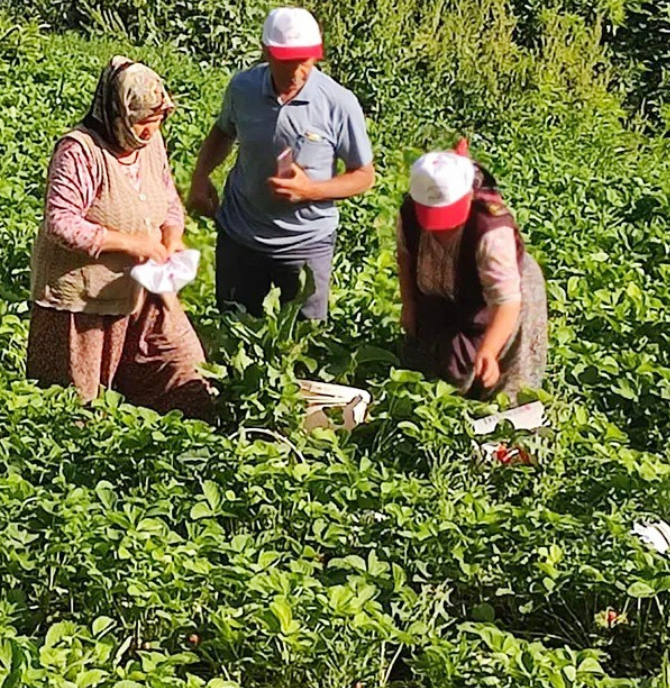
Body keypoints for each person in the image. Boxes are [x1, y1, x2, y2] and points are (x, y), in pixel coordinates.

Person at [27, 56, 214, 420]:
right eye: (142, 122)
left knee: (186, 372)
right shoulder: (80, 150)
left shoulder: (153, 143)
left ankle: (188, 448)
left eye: (156, 122)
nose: (149, 132)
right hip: (82, 302)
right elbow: (60, 222)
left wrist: (172, 237)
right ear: (118, 114)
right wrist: (132, 244)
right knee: (76, 410)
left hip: (144, 290)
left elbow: (168, 197)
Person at [188, 7, 375, 320]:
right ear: (266, 53)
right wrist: (200, 175)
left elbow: (363, 176)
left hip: (306, 242)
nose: (295, 72)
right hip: (241, 233)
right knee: (232, 327)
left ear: (317, 56)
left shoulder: (338, 103)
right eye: (284, 62)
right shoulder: (243, 89)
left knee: (303, 340)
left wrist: (310, 190)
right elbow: (223, 130)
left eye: (303, 62)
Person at [396, 141, 548, 400]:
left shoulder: (490, 229)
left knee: (505, 375)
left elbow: (506, 301)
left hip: (502, 290)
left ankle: (504, 425)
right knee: (436, 358)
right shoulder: (410, 212)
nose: (440, 228)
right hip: (442, 286)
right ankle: (441, 406)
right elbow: (406, 258)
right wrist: (408, 305)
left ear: (467, 197)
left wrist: (489, 350)